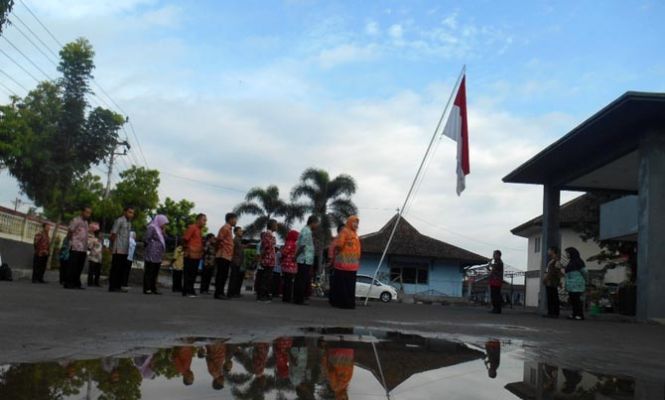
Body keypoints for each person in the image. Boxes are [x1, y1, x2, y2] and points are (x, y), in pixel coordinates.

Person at [330, 216, 361, 309]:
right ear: (350, 222)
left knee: (347, 285)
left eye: (357, 223)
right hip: (343, 264)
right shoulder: (345, 232)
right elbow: (339, 244)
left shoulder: (354, 234)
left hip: (351, 266)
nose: (356, 225)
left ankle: (347, 303)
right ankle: (345, 304)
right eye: (354, 222)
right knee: (345, 285)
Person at [294, 216, 319, 305]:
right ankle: (299, 299)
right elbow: (302, 245)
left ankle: (298, 298)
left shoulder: (307, 231)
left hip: (305, 259)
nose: (317, 226)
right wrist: (295, 256)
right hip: (304, 259)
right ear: (312, 222)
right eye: (316, 223)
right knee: (302, 279)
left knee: (301, 279)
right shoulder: (307, 231)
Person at [65, 206, 92, 289]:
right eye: (87, 212)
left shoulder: (86, 223)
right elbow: (70, 231)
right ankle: (69, 283)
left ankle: (76, 283)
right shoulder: (76, 220)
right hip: (75, 247)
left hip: (83, 248)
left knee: (79, 266)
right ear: (82, 212)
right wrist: (70, 242)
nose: (88, 214)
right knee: (73, 266)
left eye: (89, 213)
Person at [109, 207, 134, 292]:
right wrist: (111, 246)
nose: (131, 215)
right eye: (129, 212)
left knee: (121, 269)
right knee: (116, 268)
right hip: (118, 247)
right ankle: (112, 286)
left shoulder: (129, 223)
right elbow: (113, 234)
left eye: (132, 213)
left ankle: (118, 286)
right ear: (125, 212)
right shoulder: (119, 220)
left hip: (125, 248)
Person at [143, 214, 169, 295]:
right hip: (151, 252)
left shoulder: (160, 230)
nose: (165, 225)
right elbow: (146, 238)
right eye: (164, 223)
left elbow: (165, 239)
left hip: (158, 254)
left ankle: (153, 288)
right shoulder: (152, 227)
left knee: (155, 271)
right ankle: (147, 288)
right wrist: (152, 245)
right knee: (149, 271)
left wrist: (164, 232)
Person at [182, 213, 206, 298]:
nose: (205, 222)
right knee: (189, 274)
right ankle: (187, 291)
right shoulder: (192, 227)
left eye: (205, 220)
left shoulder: (199, 230)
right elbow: (185, 239)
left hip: (196, 255)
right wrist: (187, 250)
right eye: (204, 220)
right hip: (190, 254)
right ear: (198, 220)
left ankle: (190, 290)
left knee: (193, 274)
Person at [214, 213, 237, 300]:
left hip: (227, 255)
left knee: (223, 275)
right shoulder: (225, 228)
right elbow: (219, 240)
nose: (236, 221)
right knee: (221, 275)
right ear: (230, 219)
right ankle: (218, 293)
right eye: (235, 219)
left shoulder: (229, 229)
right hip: (223, 255)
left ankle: (221, 292)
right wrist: (218, 250)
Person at [564, 247, 588, 320]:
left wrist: (586, 281)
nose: (567, 255)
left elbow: (585, 272)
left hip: (578, 284)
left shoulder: (579, 261)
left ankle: (579, 314)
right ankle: (574, 313)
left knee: (577, 300)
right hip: (571, 284)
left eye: (567, 253)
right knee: (573, 300)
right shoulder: (571, 262)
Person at [257, 219, 277, 302]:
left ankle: (264, 294)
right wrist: (262, 258)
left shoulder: (270, 235)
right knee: (266, 278)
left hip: (270, 260)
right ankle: (261, 296)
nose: (276, 227)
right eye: (275, 225)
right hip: (267, 260)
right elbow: (266, 247)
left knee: (267, 278)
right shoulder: (267, 234)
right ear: (271, 225)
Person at [543, 246, 564, 318]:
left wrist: (546, 278)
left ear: (553, 251)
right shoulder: (553, 260)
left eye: (549, 250)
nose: (548, 251)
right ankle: (552, 312)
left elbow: (555, 272)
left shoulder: (556, 260)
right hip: (551, 280)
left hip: (552, 281)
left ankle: (553, 313)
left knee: (552, 297)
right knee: (552, 296)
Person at [281, 230, 299, 303]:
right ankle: (287, 297)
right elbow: (285, 252)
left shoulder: (290, 242)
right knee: (289, 282)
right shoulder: (292, 243)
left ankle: (286, 297)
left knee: (287, 281)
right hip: (290, 265)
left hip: (287, 264)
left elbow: (284, 252)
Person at [228, 226, 245, 298]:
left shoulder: (239, 240)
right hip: (235, 260)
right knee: (234, 278)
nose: (241, 232)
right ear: (235, 232)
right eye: (240, 231)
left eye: (241, 231)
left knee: (238, 278)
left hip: (239, 261)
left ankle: (235, 292)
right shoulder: (235, 240)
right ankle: (231, 292)